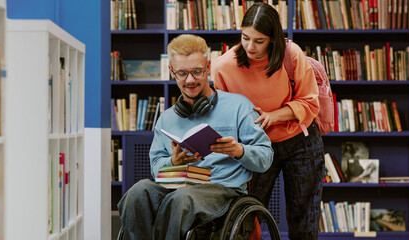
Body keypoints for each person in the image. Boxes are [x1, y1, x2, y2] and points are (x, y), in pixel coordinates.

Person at [117, 34, 274, 239]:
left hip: (224, 192)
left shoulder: (239, 106)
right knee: (138, 193)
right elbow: (156, 167)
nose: (190, 80)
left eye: (197, 72)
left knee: (181, 200)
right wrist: (173, 161)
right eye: (182, 73)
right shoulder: (166, 119)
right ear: (171, 71)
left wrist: (239, 150)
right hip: (178, 188)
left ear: (208, 67)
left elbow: (266, 158)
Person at [210, 2, 325, 239]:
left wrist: (274, 115)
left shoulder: (291, 55)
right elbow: (224, 113)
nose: (250, 46)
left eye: (259, 41)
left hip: (299, 142)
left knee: (304, 217)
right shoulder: (223, 67)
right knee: (245, 215)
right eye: (245, 37)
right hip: (256, 146)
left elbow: (310, 103)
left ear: (273, 38)